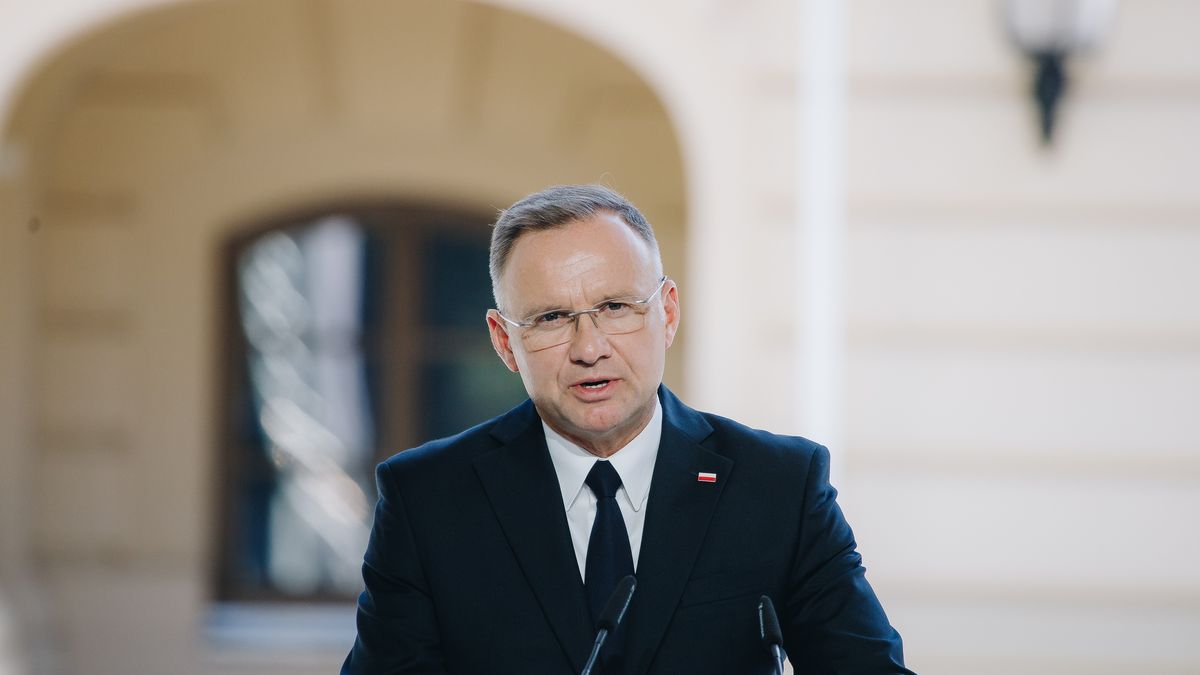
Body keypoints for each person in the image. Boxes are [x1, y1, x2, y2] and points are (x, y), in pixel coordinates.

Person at [342, 185, 912, 674]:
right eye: (551, 318)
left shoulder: (780, 487)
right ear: (503, 341)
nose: (590, 349)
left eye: (615, 307)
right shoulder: (428, 499)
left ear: (666, 312)